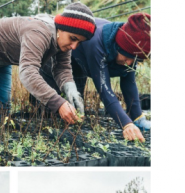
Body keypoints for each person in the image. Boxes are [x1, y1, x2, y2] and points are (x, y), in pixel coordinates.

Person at [0, 3, 95, 125]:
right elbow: (28, 73)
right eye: (73, 39)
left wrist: (71, 90)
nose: (74, 46)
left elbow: (62, 68)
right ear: (61, 28)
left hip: (1, 57)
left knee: (3, 106)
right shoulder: (39, 33)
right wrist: (58, 103)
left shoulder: (63, 41)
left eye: (79, 42)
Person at [40, 13, 151, 142]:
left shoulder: (132, 48)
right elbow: (105, 91)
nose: (129, 63)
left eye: (134, 59)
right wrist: (126, 124)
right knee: (47, 111)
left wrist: (137, 118)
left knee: (74, 111)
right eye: (126, 57)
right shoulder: (97, 44)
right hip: (58, 59)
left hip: (80, 66)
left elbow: (129, 84)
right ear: (117, 47)